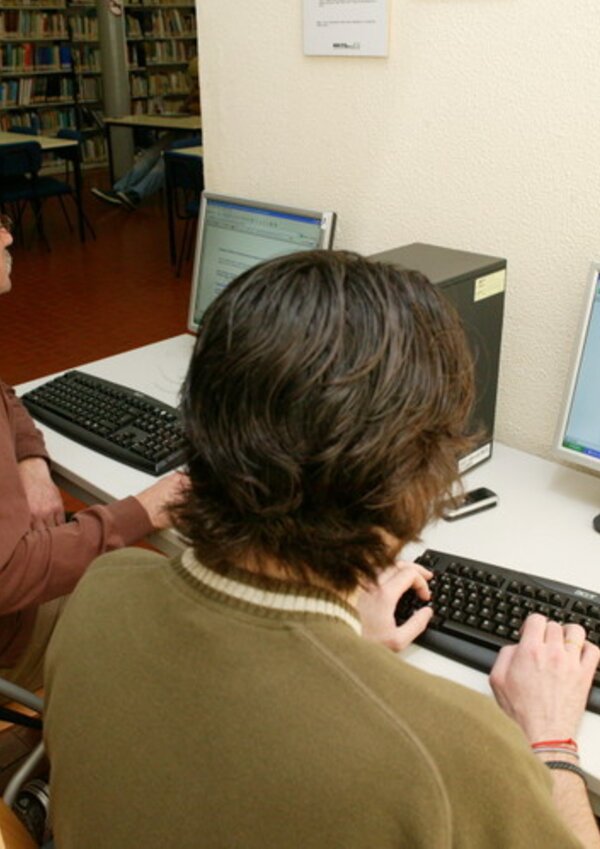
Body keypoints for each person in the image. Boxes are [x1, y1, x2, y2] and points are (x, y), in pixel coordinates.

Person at [44, 251, 600, 848]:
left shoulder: (102, 589)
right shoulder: (452, 753)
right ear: (414, 480)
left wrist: (347, 647)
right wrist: (552, 743)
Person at [0, 213, 185, 696]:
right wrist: (142, 511)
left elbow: (6, 394)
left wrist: (30, 461)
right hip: (13, 630)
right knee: (188, 614)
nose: (8, 235)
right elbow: (10, 575)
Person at [91, 57, 201, 210]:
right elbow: (183, 110)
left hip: (197, 138)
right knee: (150, 154)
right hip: (182, 132)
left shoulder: (212, 94)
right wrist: (189, 101)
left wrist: (192, 105)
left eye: (197, 79)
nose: (195, 83)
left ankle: (136, 194)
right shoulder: (194, 92)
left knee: (164, 161)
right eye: (193, 79)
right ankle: (118, 189)